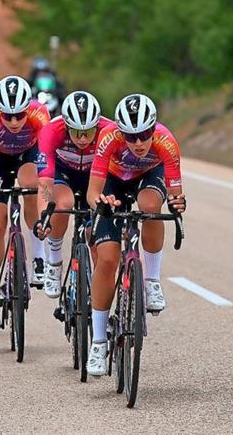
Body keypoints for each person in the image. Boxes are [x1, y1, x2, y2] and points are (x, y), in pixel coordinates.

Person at [84, 94, 186, 377]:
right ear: (120, 132)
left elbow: (176, 194)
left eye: (144, 135)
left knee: (151, 207)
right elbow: (93, 192)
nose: (139, 143)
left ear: (154, 129)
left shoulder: (166, 142)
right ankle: (99, 342)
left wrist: (178, 204)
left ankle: (151, 280)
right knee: (106, 260)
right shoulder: (108, 139)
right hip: (114, 182)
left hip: (148, 178)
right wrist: (102, 205)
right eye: (131, 137)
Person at [0, 75, 50, 333]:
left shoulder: (40, 113)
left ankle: (39, 256)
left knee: (31, 182)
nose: (14, 122)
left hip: (28, 154)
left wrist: (47, 195)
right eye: (7, 116)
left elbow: (47, 162)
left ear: (28, 108)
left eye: (19, 115)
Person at [33, 91, 111, 298]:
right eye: (76, 132)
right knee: (63, 203)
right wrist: (44, 217)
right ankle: (54, 261)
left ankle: (99, 294)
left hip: (94, 177)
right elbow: (45, 184)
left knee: (93, 234)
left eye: (88, 132)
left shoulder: (109, 130)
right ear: (67, 126)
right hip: (63, 173)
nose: (83, 138)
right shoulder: (51, 131)